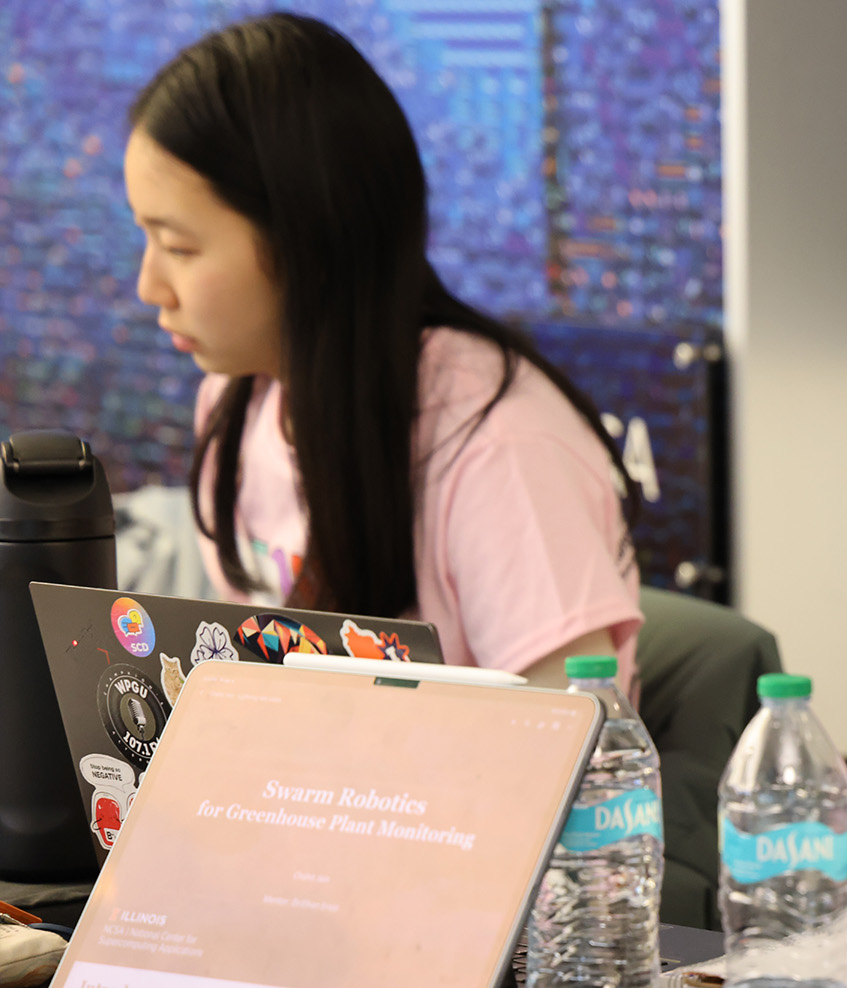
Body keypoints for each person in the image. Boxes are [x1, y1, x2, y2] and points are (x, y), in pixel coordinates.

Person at [123, 13, 643, 693]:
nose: (149, 286)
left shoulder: (498, 449)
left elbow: (576, 745)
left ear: (310, 240)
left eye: (181, 248)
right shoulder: (236, 400)